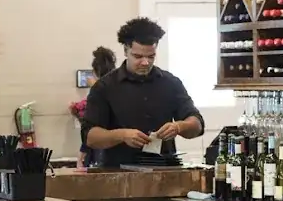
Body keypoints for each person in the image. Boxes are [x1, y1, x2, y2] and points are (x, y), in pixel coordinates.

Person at [82, 18, 204, 166]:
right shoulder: (104, 87)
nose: (145, 62)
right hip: (119, 174)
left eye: (151, 56)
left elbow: (196, 124)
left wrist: (179, 127)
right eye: (138, 56)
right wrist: (122, 135)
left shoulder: (171, 83)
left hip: (165, 172)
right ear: (126, 50)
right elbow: (90, 137)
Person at [77, 46, 117, 169]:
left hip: (101, 150)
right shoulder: (120, 88)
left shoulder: (98, 91)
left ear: (95, 71)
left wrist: (82, 152)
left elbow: (92, 126)